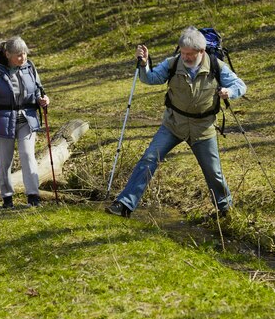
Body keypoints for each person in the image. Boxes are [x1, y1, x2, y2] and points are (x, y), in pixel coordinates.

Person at [106, 27, 247, 218]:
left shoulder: (216, 66)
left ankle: (225, 211)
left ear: (201, 52)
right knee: (149, 159)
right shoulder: (173, 64)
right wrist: (144, 64)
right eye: (183, 53)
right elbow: (152, 79)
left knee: (213, 172)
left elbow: (240, 85)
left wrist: (229, 92)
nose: (186, 57)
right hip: (173, 124)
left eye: (190, 54)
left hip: (202, 128)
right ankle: (124, 205)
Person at [0, 36, 50, 208]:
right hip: (3, 119)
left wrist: (43, 100)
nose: (23, 58)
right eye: (19, 55)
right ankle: (7, 198)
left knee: (28, 156)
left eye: (25, 54)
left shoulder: (30, 67)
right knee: (4, 161)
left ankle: (33, 197)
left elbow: (38, 91)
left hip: (27, 118)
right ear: (8, 54)